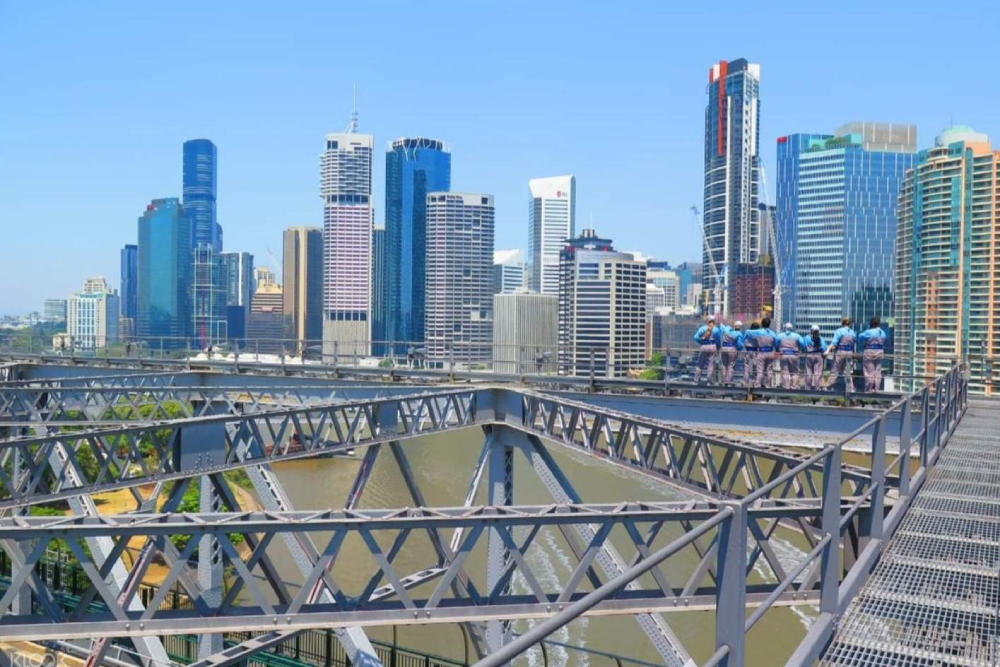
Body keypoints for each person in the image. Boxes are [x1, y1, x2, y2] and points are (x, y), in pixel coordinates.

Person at [825, 317, 857, 392]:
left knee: (835, 370)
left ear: (842, 323)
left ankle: (829, 387)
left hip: (840, 352)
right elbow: (854, 344)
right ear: (850, 324)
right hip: (849, 352)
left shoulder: (839, 331)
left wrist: (827, 351)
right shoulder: (853, 333)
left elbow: (834, 343)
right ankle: (851, 389)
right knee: (847, 372)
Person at [744, 317, 778, 387]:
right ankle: (768, 385)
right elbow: (776, 345)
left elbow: (747, 332)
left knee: (760, 370)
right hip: (771, 353)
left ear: (762, 324)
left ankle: (757, 385)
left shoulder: (759, 332)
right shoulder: (773, 334)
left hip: (761, 352)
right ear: (769, 324)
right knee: (769, 370)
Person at [858, 316, 887, 393]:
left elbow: (860, 337)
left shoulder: (869, 332)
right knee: (878, 372)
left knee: (869, 371)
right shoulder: (883, 332)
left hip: (869, 351)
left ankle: (868, 389)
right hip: (880, 351)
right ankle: (876, 389)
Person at [692, 317, 721, 384]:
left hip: (704, 346)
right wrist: (718, 347)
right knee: (711, 365)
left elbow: (695, 337)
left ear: (707, 321)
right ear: (714, 321)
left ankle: (696, 380)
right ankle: (709, 381)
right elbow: (718, 341)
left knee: (700, 364)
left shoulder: (702, 328)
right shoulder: (716, 329)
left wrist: (701, 342)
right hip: (713, 346)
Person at [776, 323, 804, 388]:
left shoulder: (780, 336)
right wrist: (800, 349)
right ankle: (794, 386)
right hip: (794, 355)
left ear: (784, 328)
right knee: (795, 372)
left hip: (783, 355)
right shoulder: (797, 336)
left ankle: (786, 386)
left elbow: (776, 345)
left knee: (785, 371)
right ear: (791, 328)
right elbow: (802, 344)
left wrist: (778, 350)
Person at [802, 325, 828, 390]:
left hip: (809, 355)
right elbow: (824, 348)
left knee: (808, 372)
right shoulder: (820, 338)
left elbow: (803, 347)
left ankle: (808, 388)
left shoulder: (806, 337)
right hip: (818, 356)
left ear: (811, 330)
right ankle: (817, 388)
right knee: (818, 373)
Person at [719, 320, 743, 385]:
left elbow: (721, 326)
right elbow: (739, 345)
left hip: (723, 349)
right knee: (730, 366)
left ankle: (723, 380)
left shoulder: (726, 330)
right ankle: (728, 381)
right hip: (732, 349)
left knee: (724, 365)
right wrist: (739, 349)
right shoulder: (738, 333)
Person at [742, 322, 759, 387]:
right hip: (755, 352)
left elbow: (743, 339)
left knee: (746, 367)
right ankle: (754, 383)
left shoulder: (747, 331)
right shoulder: (759, 332)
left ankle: (745, 383)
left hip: (748, 351)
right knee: (755, 368)